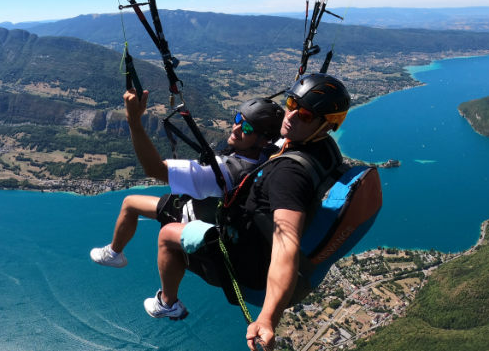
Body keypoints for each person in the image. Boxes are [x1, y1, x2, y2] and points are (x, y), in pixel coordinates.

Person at [147, 73, 350, 346]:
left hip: (247, 263)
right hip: (256, 241)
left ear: (326, 125)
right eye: (290, 103)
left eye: (303, 114)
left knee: (168, 234)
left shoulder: (287, 175)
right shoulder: (323, 148)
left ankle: (167, 302)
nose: (290, 115)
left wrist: (267, 318)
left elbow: (285, 247)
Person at [88, 90, 284, 300]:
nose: (236, 128)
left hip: (199, 220)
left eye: (246, 128)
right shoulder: (273, 152)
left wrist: (133, 121)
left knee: (165, 236)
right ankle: (114, 253)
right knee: (130, 203)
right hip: (211, 210)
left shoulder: (221, 174)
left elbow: (154, 169)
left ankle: (168, 302)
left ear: (263, 139)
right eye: (238, 119)